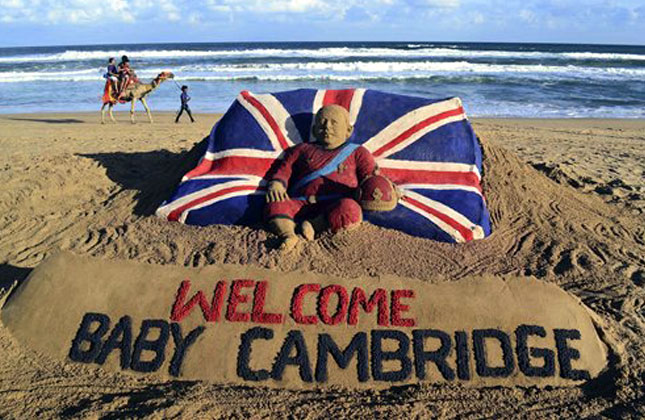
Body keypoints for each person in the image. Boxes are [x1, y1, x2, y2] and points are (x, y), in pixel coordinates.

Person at [264, 104, 377, 251]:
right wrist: (277, 184)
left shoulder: (358, 153)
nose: (327, 126)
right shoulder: (301, 149)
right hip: (300, 204)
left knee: (350, 209)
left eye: (333, 122)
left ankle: (314, 225)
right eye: (322, 122)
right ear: (314, 130)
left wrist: (385, 188)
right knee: (275, 204)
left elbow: (370, 179)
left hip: (335, 205)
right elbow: (284, 170)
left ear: (348, 130)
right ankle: (289, 234)